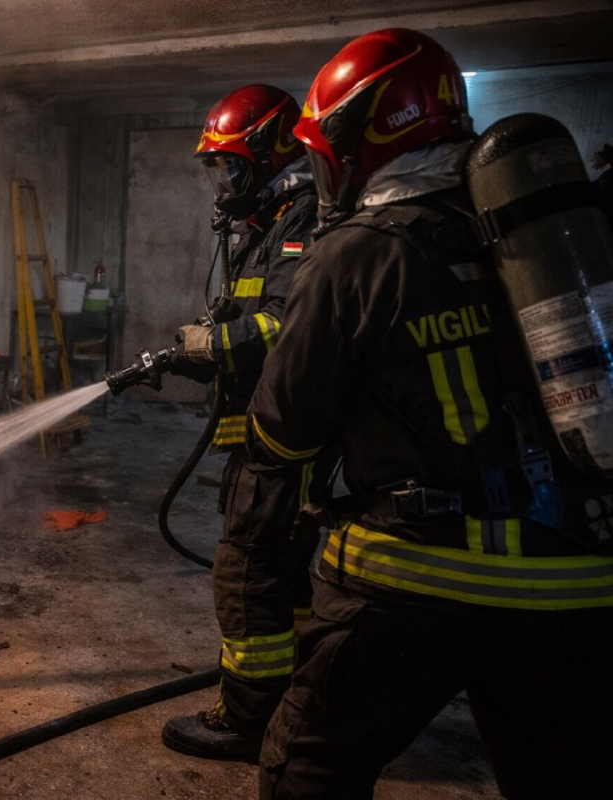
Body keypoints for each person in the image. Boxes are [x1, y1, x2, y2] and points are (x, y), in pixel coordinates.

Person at [242, 27, 613, 798]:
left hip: (413, 580)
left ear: (357, 139)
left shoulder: (354, 254)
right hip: (578, 583)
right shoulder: (547, 238)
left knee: (309, 767)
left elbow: (282, 430)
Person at [161, 84, 333, 762]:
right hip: (269, 431)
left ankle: (248, 718)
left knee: (246, 569)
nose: (223, 180)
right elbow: (249, 321)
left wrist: (209, 345)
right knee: (282, 574)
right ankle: (298, 691)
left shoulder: (304, 219)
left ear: (268, 154)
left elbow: (288, 327)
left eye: (229, 163)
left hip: (286, 439)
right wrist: (207, 346)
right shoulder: (268, 222)